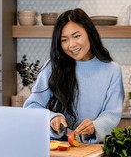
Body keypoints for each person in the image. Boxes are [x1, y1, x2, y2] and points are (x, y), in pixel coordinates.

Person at [24, 8, 124, 143]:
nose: (71, 45)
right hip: (54, 147)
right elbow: (32, 106)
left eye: (77, 36)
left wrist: (95, 126)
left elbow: (112, 114)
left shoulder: (112, 70)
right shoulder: (52, 67)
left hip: (93, 149)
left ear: (89, 33)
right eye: (64, 40)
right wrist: (52, 118)